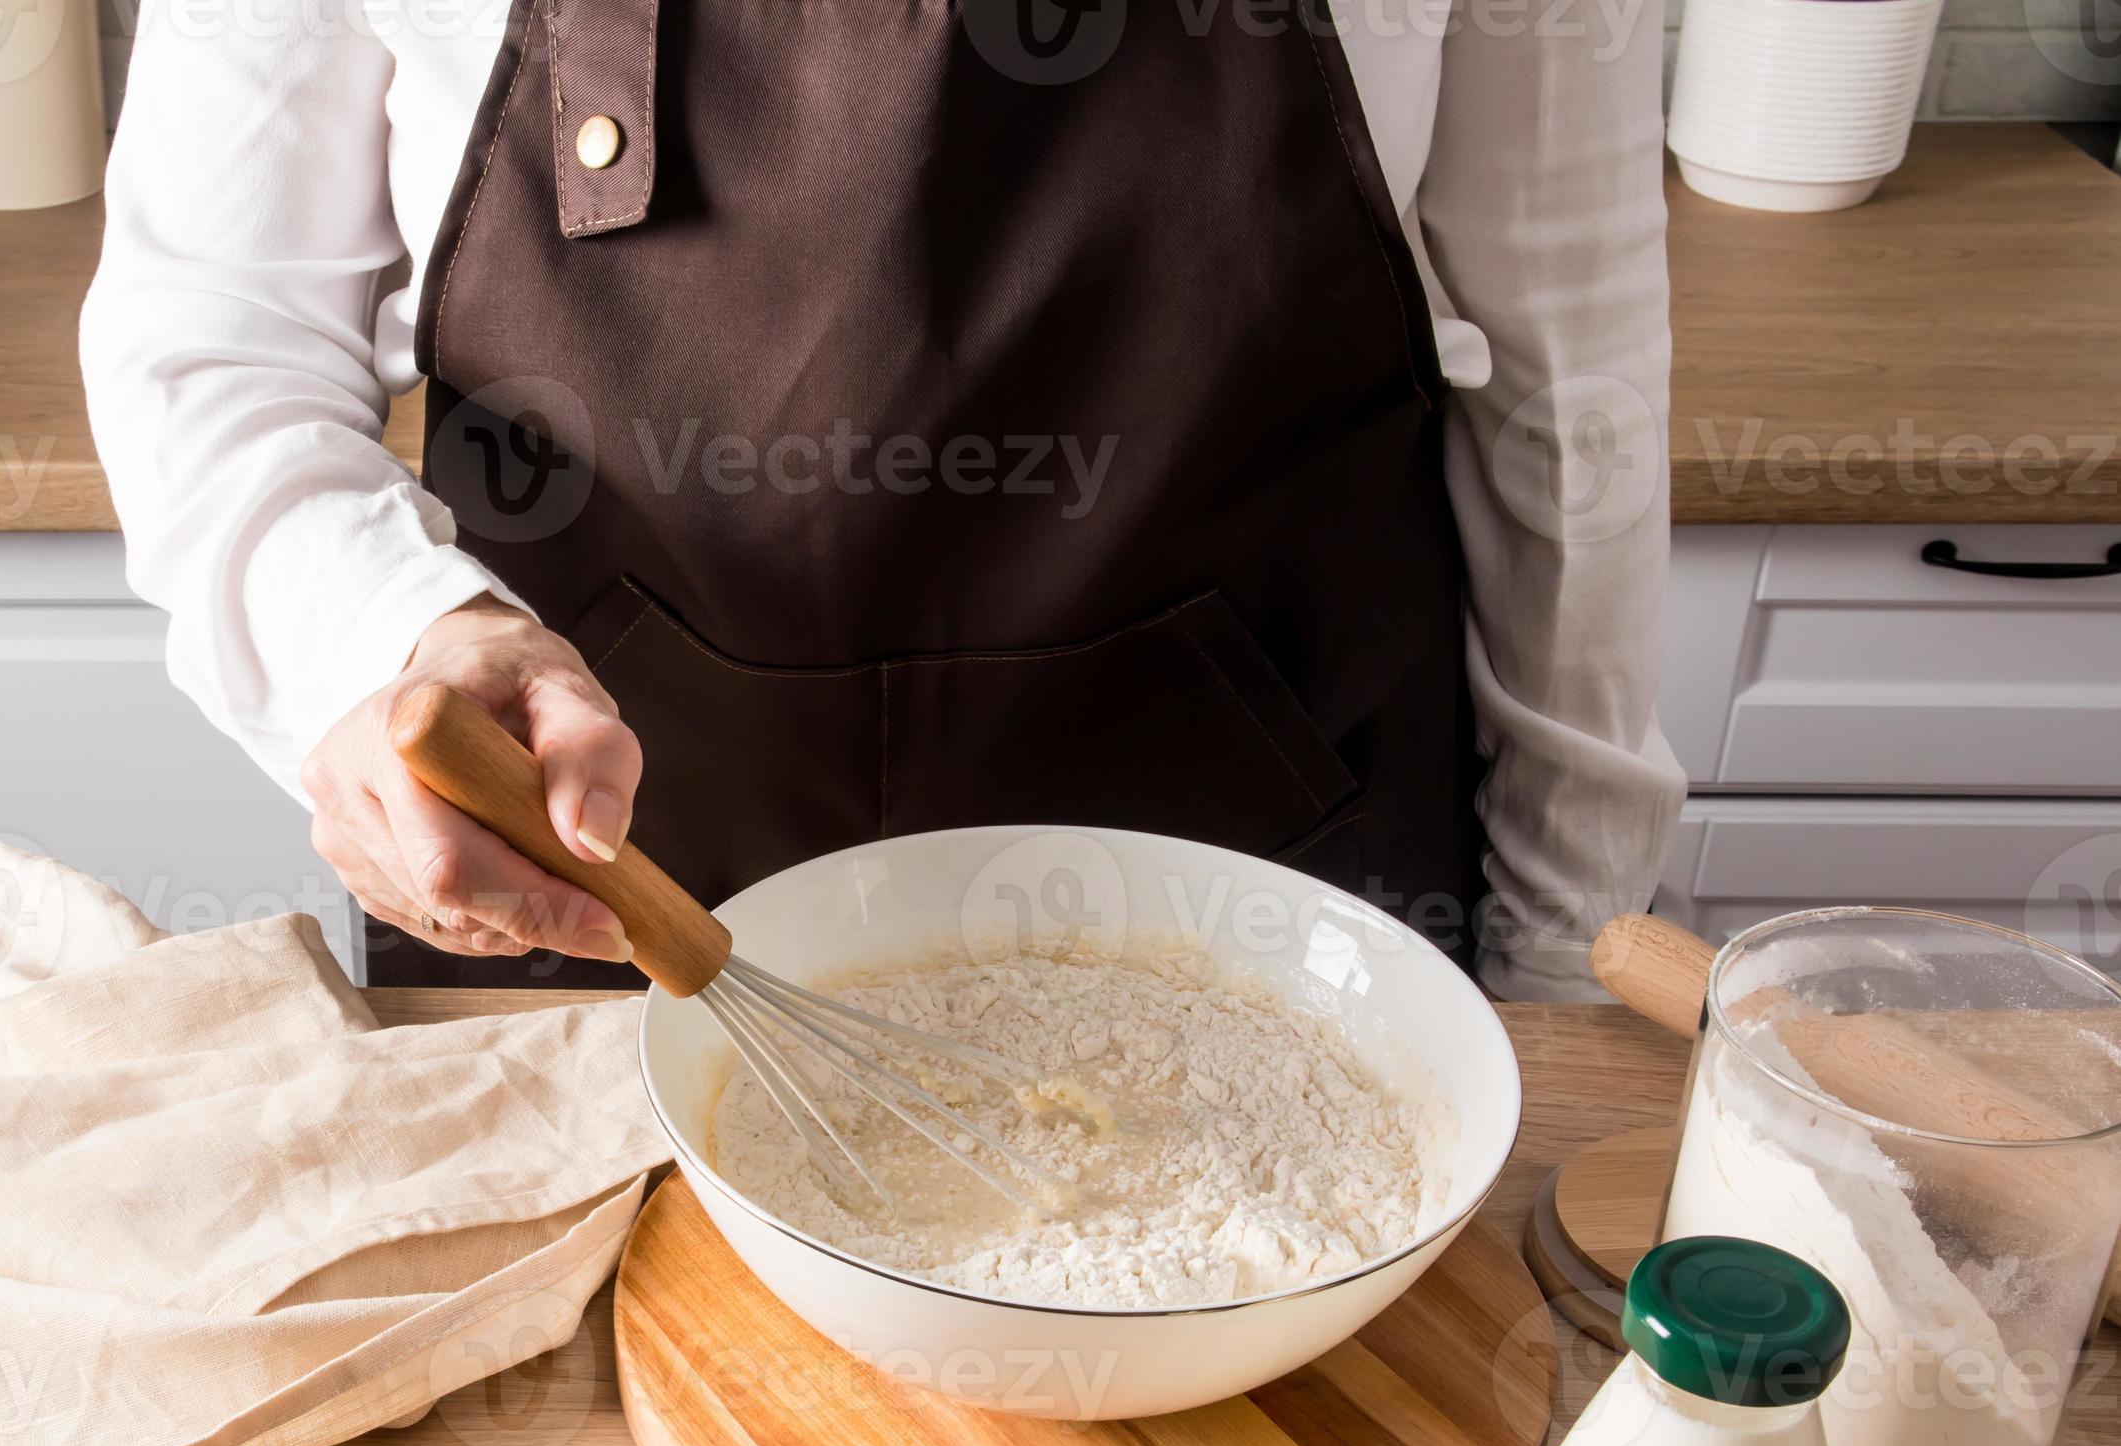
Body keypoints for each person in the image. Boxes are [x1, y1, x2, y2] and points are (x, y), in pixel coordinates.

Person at [81, 0, 1686, 995]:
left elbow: (1573, 358)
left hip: (1282, 937)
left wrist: (1567, 960)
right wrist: (384, 637)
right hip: (610, 918)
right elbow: (212, 341)